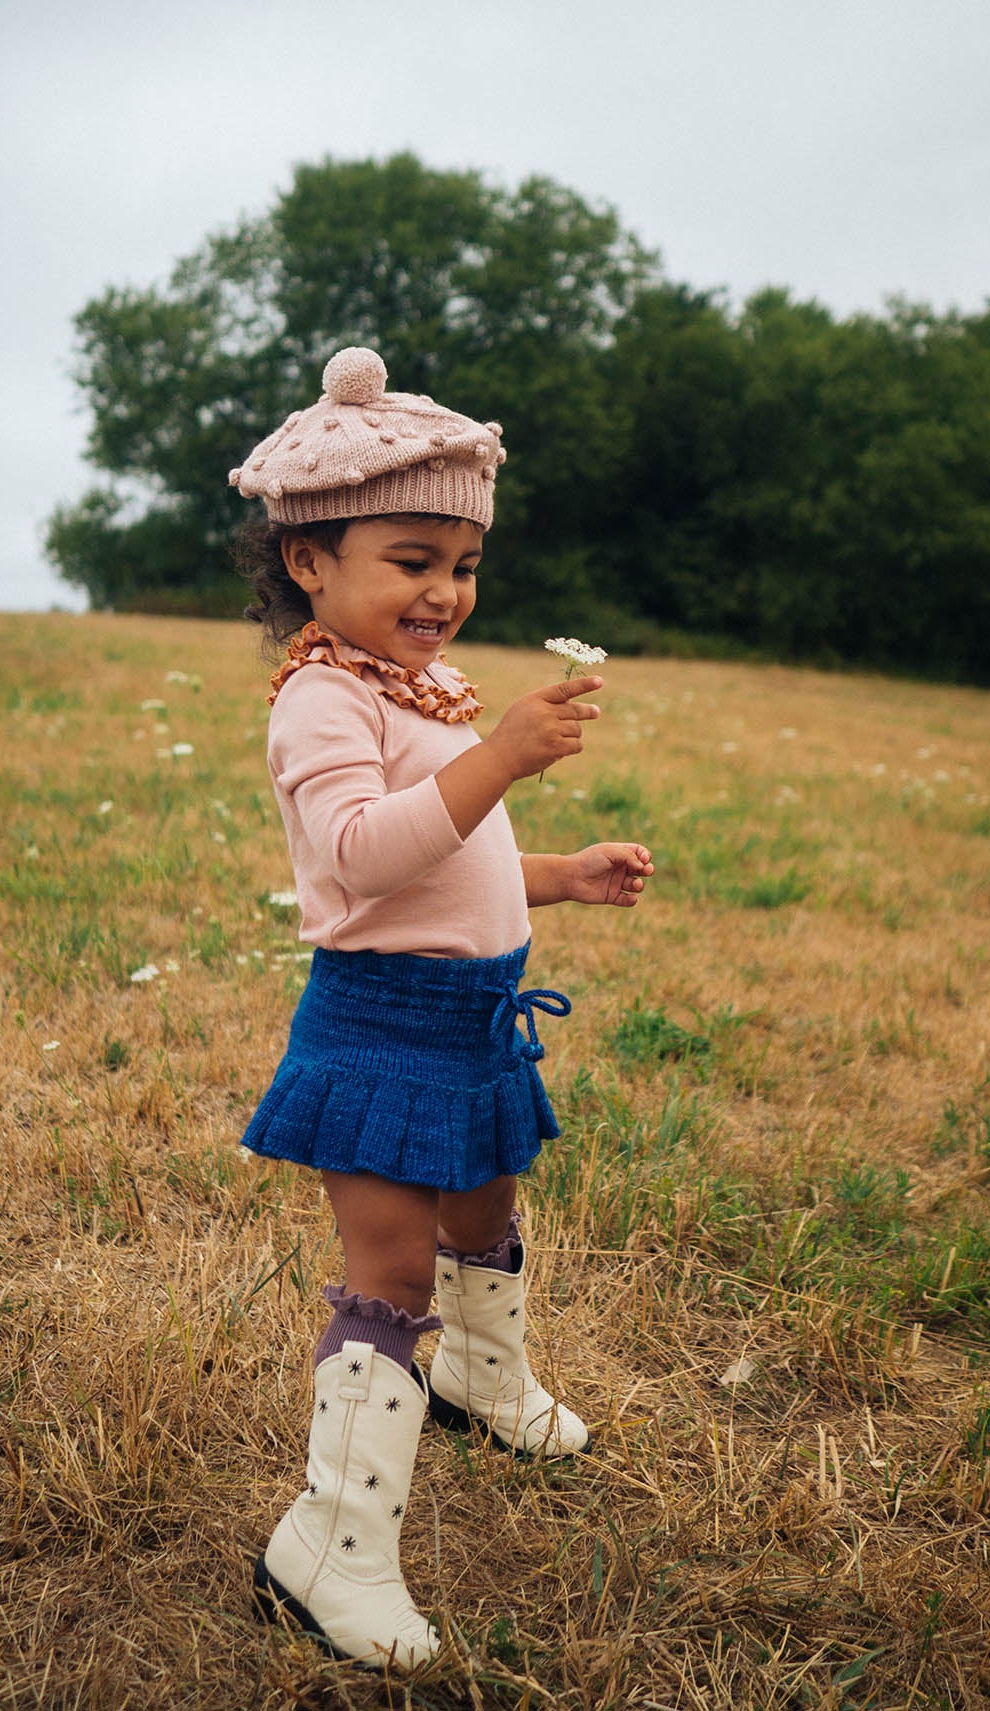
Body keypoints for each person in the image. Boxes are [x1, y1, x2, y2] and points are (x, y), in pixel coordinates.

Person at [228, 346, 654, 1670]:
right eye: (411, 560)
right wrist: (500, 755)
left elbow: (451, 857)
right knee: (394, 1268)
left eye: (462, 564)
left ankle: (482, 1375)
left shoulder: (423, 699)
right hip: (380, 1025)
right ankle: (329, 1544)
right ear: (310, 560)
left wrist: (559, 878)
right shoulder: (320, 701)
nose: (446, 593)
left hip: (473, 1018)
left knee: (487, 1208)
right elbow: (361, 857)